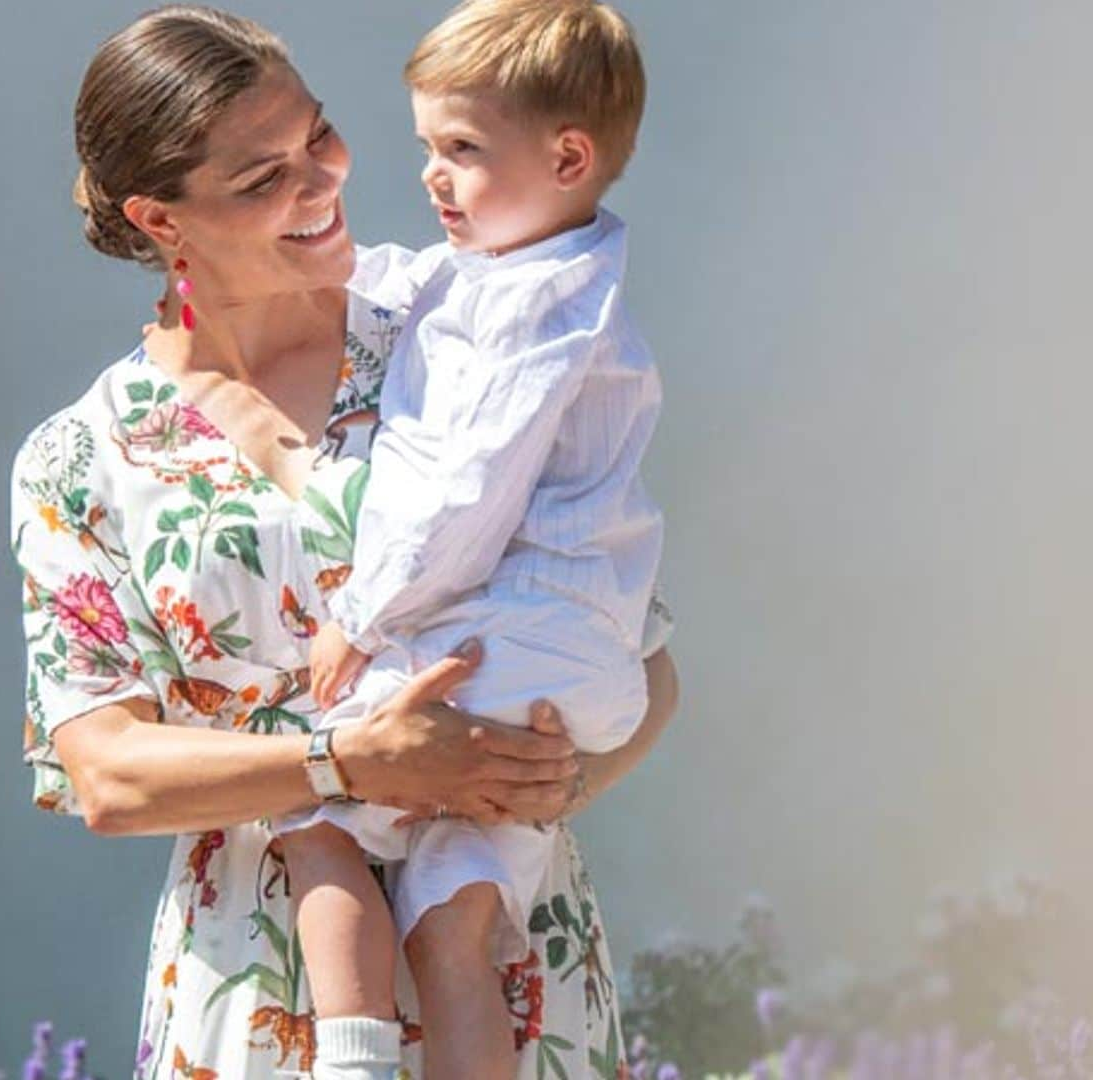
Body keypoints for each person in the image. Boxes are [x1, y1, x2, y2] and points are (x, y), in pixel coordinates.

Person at [10, 8, 679, 1079]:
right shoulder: (83, 461)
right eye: (260, 177)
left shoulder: (453, 323)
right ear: (160, 218)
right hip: (258, 990)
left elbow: (643, 655)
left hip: (505, 962)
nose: (320, 183)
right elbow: (108, 776)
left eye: (317, 136)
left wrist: (535, 783)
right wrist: (342, 763)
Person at [273, 2, 663, 1076]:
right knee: (455, 915)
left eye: (462, 151)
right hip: (564, 665)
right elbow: (410, 284)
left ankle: (351, 1055)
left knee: (318, 807)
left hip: (510, 635)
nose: (434, 177)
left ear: (567, 155)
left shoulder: (538, 325)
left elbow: (464, 492)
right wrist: (316, 270)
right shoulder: (533, 270)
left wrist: (361, 617)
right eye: (428, 150)